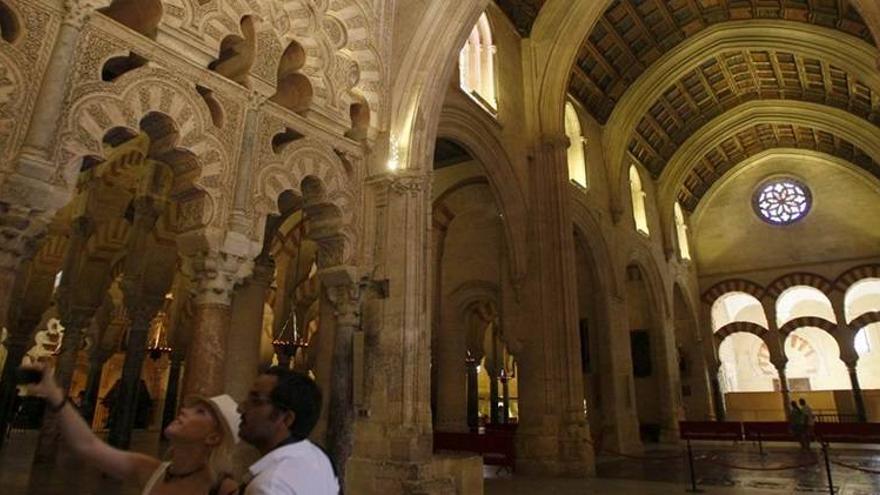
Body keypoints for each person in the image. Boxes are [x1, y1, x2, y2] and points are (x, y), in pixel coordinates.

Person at [24, 363, 240, 495]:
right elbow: (87, 446)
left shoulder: (223, 489)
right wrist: (54, 393)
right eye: (191, 407)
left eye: (200, 413)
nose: (184, 411)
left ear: (213, 437)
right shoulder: (151, 470)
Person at [237, 366, 338, 494]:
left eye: (256, 401)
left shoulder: (269, 487)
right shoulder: (318, 456)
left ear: (286, 419)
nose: (240, 409)